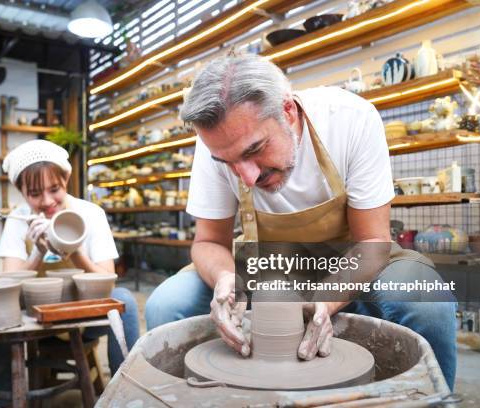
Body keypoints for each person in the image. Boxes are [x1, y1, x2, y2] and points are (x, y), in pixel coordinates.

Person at [145, 55, 456, 389]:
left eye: (255, 150)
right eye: (230, 162)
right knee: (167, 304)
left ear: (288, 110)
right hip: (262, 263)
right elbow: (208, 242)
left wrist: (326, 301)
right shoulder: (216, 145)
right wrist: (225, 278)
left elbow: (372, 242)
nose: (246, 176)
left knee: (429, 302)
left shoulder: (351, 119)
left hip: (354, 257)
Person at [0, 139, 140, 405]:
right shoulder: (18, 219)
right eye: (34, 194)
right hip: (35, 318)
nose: (47, 201)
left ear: (66, 179)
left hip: (83, 315)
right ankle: (7, 401)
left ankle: (126, 395)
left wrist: (74, 251)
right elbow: (8, 282)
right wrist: (37, 253)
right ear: (21, 191)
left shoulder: (90, 214)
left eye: (54, 189)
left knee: (126, 301)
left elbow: (109, 280)